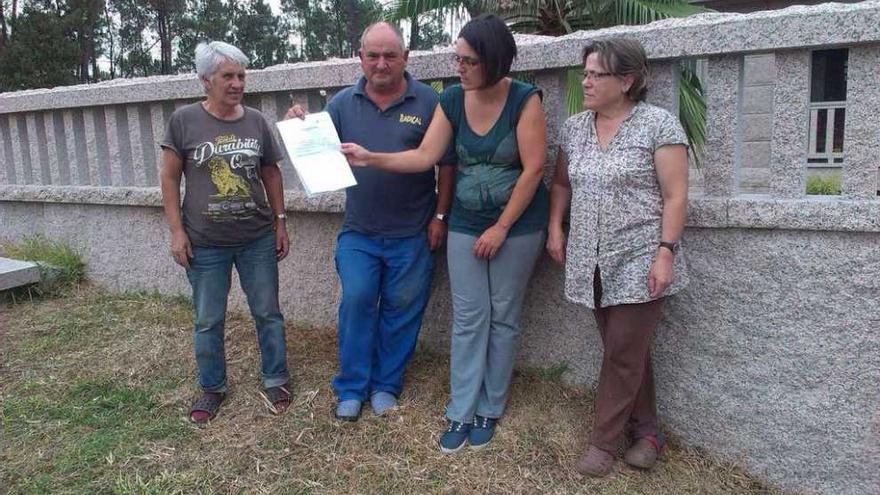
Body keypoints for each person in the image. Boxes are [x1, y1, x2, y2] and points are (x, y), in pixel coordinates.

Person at [341, 14, 549, 452]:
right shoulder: (452, 99)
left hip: (517, 225)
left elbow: (534, 169)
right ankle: (460, 409)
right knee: (469, 317)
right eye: (457, 57)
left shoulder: (525, 100)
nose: (458, 66)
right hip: (466, 222)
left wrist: (502, 226)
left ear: (492, 61)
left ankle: (489, 407)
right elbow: (424, 157)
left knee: (503, 316)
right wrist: (370, 158)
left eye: (467, 60)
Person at [286, 22, 455, 421]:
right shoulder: (342, 104)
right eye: (373, 55)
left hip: (413, 231)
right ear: (360, 57)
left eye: (390, 55)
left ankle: (385, 385)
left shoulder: (430, 101)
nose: (381, 63)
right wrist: (300, 124)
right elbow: (320, 152)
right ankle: (352, 386)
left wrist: (440, 217)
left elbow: (447, 167)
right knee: (358, 302)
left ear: (406, 58)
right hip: (359, 232)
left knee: (402, 309)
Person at [546, 37, 689, 476]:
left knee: (624, 353)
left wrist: (664, 253)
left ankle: (603, 445)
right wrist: (555, 226)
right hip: (590, 257)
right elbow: (562, 183)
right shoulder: (575, 127)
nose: (585, 81)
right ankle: (648, 433)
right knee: (624, 350)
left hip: (639, 256)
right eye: (584, 73)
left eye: (596, 74)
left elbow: (676, 195)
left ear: (626, 80)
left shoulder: (658, 126)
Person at [160, 41, 292, 424]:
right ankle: (212, 387)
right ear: (205, 80)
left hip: (256, 238)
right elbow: (169, 178)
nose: (237, 84)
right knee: (208, 318)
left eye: (241, 76)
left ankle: (276, 378)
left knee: (268, 312)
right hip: (205, 242)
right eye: (228, 76)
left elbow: (271, 171)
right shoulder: (184, 121)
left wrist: (280, 221)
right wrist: (176, 231)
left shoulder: (255, 121)